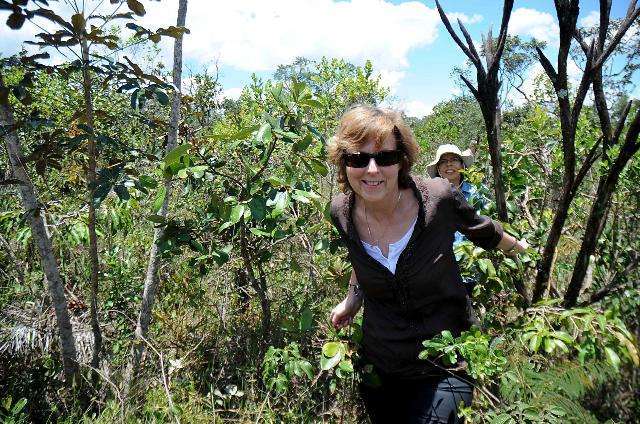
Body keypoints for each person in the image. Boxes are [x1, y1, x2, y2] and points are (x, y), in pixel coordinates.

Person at [327, 106, 526, 423]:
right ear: (344, 163)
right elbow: (359, 257)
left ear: (402, 160)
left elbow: (482, 229)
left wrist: (523, 252)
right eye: (358, 159)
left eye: (386, 158)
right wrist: (352, 299)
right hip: (380, 365)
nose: (373, 170)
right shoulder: (341, 211)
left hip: (443, 361)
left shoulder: (438, 198)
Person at [427, 144, 490, 296]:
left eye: (454, 159)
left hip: (474, 268)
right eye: (443, 161)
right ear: (438, 169)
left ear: (462, 165)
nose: (449, 164)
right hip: (441, 272)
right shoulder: (430, 197)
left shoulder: (477, 193)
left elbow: (488, 224)